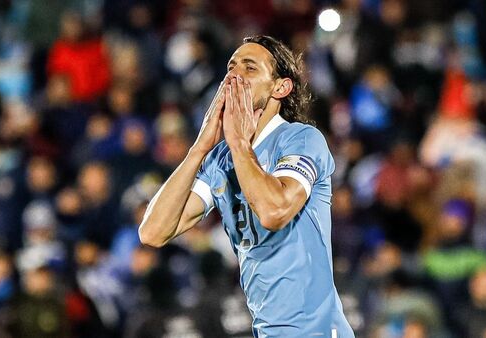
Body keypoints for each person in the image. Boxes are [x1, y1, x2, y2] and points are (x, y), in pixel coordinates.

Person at [139, 35, 355, 337]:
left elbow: (274, 210)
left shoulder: (301, 139)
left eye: (250, 68)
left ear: (280, 87)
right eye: (231, 67)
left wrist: (239, 142)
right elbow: (153, 232)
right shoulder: (220, 159)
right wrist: (199, 149)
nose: (234, 75)